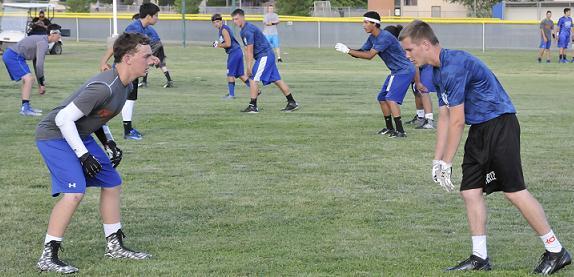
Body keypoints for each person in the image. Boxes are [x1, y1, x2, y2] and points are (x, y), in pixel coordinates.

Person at [399, 19, 571, 274]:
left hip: (500, 125)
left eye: (409, 49)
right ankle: (480, 257)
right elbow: (445, 116)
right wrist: (437, 160)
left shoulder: (454, 65)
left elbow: (457, 121)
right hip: (480, 129)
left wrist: (448, 161)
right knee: (470, 191)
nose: (407, 55)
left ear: (425, 44)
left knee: (514, 192)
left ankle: (556, 250)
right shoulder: (436, 71)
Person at [34, 32, 155, 274]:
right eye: (147, 56)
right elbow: (63, 119)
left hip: (79, 134)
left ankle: (115, 246)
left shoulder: (128, 84)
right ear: (129, 58)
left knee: (112, 182)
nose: (153, 61)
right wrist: (83, 155)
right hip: (55, 135)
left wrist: (108, 142)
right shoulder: (104, 86)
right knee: (74, 192)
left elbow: (99, 116)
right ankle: (48, 256)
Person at [335, 12, 415, 138]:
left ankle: (400, 131)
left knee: (390, 99)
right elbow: (362, 52)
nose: (363, 25)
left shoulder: (384, 37)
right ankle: (390, 128)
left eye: (366, 22)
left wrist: (348, 51)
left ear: (375, 24)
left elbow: (369, 56)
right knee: (382, 98)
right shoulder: (373, 37)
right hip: (396, 71)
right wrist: (348, 49)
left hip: (404, 70)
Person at [100, 3, 160, 140]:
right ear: (149, 16)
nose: (157, 18)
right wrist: (103, 62)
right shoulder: (134, 28)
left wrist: (151, 57)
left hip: (133, 68)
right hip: (125, 68)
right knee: (116, 97)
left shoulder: (146, 29)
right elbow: (117, 44)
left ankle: (127, 129)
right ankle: (104, 124)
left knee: (129, 97)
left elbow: (142, 50)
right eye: (156, 15)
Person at [231, 8, 299, 113]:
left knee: (253, 78)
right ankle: (292, 102)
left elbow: (250, 50)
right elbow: (246, 49)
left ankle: (253, 106)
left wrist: (249, 67)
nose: (235, 21)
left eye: (236, 19)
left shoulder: (247, 30)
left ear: (242, 17)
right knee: (277, 80)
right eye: (233, 19)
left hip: (265, 56)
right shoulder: (244, 30)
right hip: (266, 55)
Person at [2, 24, 61, 116]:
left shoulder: (42, 40)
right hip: (13, 56)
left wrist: (40, 83)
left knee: (28, 80)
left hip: (14, 56)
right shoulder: (43, 43)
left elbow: (36, 62)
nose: (60, 36)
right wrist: (41, 84)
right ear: (52, 34)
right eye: (59, 34)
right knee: (29, 79)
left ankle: (26, 107)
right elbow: (39, 65)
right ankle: (25, 109)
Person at [383, 24, 434, 129]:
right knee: (416, 91)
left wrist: (418, 81)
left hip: (426, 65)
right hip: (417, 67)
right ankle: (420, 117)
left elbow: (413, 64)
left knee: (423, 90)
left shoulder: (403, 46)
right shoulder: (396, 46)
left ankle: (429, 121)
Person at [211, 13, 251, 99]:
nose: (216, 24)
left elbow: (228, 44)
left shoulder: (224, 29)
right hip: (237, 52)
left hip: (234, 52)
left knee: (230, 73)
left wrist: (217, 45)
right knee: (240, 74)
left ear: (221, 21)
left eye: (218, 21)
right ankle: (256, 90)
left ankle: (231, 95)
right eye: (214, 22)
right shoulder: (221, 29)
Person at [134, 13, 174, 89]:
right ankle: (169, 81)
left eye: (134, 21)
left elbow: (143, 39)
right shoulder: (147, 26)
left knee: (145, 62)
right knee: (161, 63)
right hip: (159, 44)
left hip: (153, 45)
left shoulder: (142, 27)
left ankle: (144, 82)